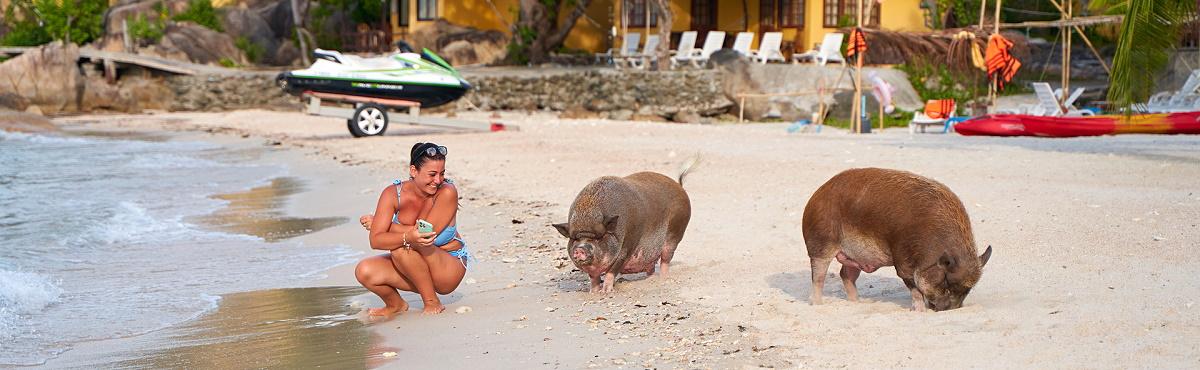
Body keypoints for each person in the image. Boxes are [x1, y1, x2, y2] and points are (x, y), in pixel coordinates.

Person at [354, 142, 470, 315]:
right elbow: (376, 240)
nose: (438, 180)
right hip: (416, 266)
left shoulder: (447, 191)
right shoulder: (392, 194)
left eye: (442, 173)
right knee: (365, 271)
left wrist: (388, 226)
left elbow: (425, 234)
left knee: (400, 248)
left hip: (448, 268)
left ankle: (432, 302)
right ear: (413, 171)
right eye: (432, 174)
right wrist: (406, 235)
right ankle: (395, 305)